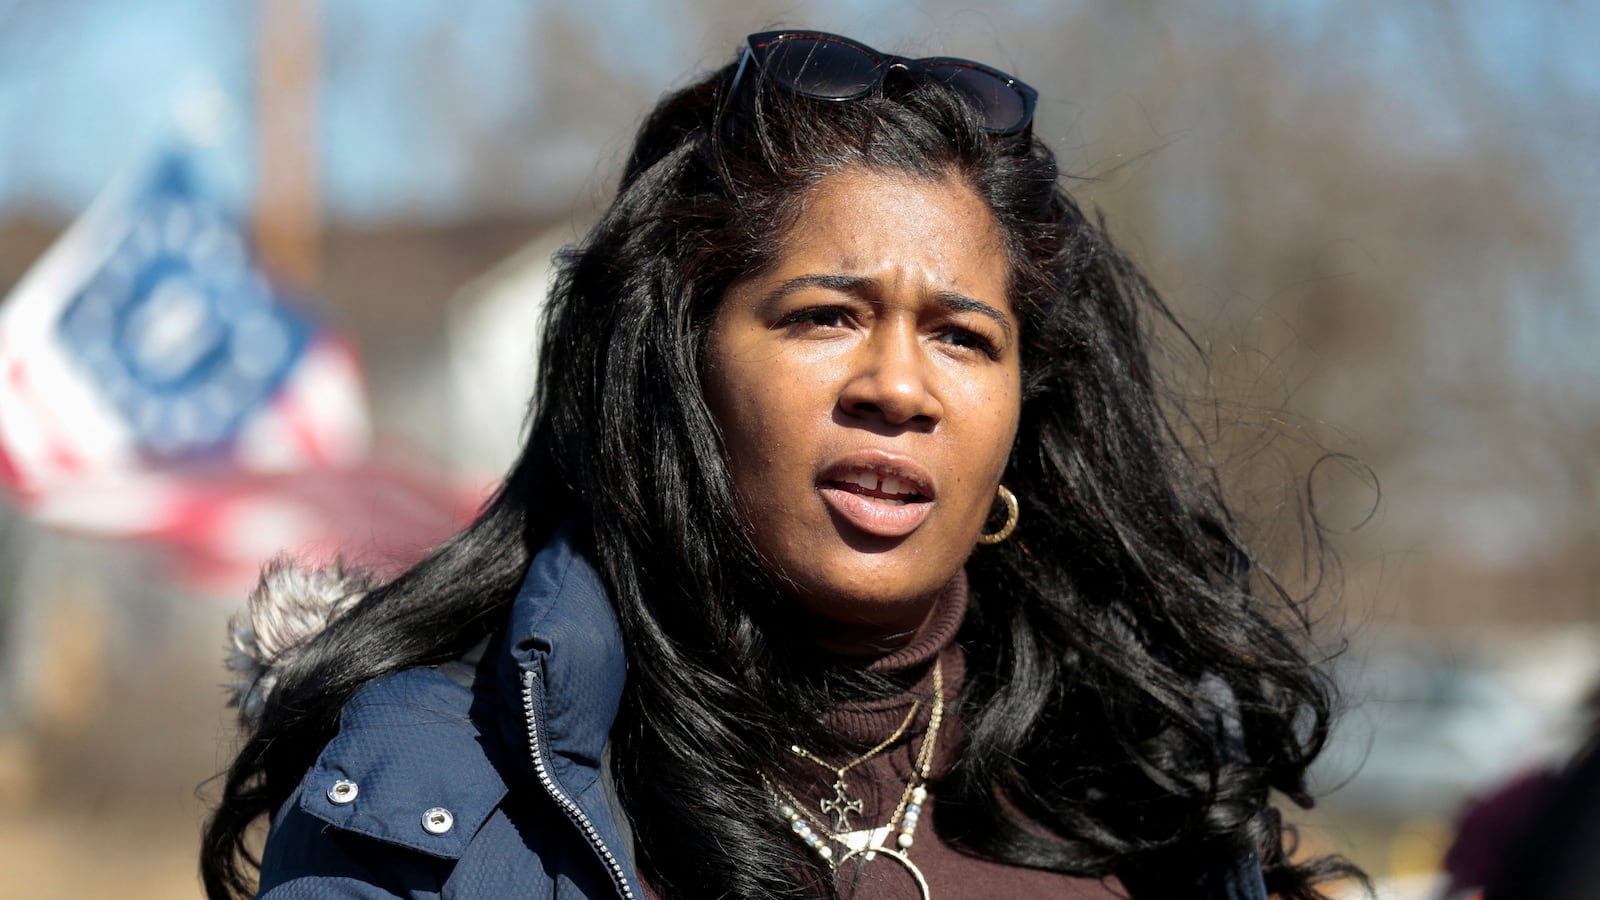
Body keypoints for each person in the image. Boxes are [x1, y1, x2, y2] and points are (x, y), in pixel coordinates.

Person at [201, 29, 1362, 900]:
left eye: (963, 337)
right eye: (822, 317)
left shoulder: (1145, 785)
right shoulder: (438, 787)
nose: (898, 388)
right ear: (679, 368)